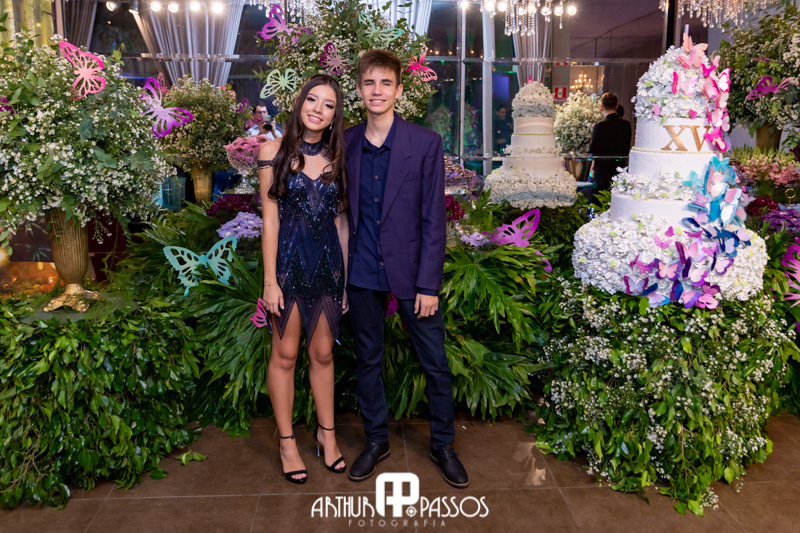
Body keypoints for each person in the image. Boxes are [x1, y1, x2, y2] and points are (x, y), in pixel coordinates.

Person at [343, 49, 469, 489]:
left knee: (435, 363)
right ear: (359, 89)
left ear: (399, 89)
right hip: (361, 269)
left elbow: (434, 218)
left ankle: (443, 445)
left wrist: (428, 284)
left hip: (413, 273)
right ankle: (376, 440)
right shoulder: (346, 142)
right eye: (369, 83)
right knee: (368, 360)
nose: (376, 91)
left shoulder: (424, 143)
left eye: (385, 83)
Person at [257, 74, 350, 484]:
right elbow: (270, 221)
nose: (318, 109)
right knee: (285, 355)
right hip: (288, 269)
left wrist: (344, 282)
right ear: (300, 102)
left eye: (328, 105)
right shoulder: (272, 152)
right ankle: (287, 442)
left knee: (323, 355)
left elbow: (342, 223)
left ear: (334, 116)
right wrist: (270, 281)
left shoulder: (338, 158)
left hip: (328, 268)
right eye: (312, 99)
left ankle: (327, 436)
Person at [588, 92, 632, 203]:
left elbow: (593, 149)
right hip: (620, 170)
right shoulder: (626, 125)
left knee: (600, 203)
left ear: (601, 107)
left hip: (602, 172)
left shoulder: (600, 126)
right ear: (616, 106)